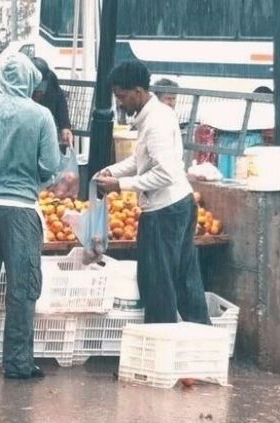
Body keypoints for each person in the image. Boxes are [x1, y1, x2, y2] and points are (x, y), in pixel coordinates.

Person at [0, 53, 64, 379]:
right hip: (22, 211)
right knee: (22, 289)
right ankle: (18, 363)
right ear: (32, 81)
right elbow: (50, 166)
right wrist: (33, 178)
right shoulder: (41, 116)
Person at [96, 61, 210, 325]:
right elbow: (140, 160)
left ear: (138, 91)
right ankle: (198, 341)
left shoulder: (156, 122)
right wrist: (111, 171)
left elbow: (165, 173)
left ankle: (163, 348)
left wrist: (120, 186)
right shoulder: (154, 115)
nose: (120, 103)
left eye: (122, 97)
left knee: (158, 285)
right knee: (184, 282)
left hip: (165, 211)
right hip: (178, 205)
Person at [31, 56, 74, 146]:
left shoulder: (51, 78)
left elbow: (60, 101)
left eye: (42, 88)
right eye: (37, 90)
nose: (40, 93)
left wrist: (65, 126)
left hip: (47, 130)